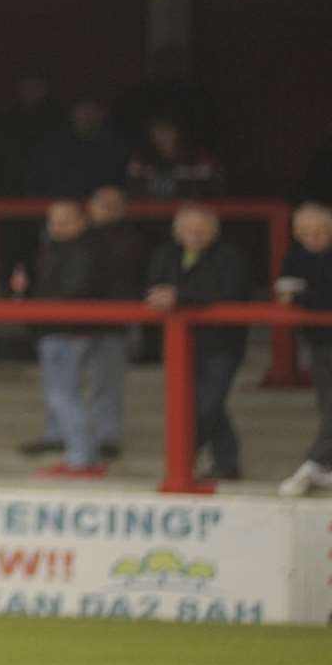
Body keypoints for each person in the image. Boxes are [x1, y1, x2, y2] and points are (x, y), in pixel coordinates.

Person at [145, 204, 253, 481]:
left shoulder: (230, 257)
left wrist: (180, 297)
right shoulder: (165, 254)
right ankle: (227, 464)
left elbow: (230, 291)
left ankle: (184, 457)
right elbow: (152, 286)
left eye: (201, 229)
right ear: (177, 231)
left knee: (207, 404)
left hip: (222, 344)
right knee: (205, 404)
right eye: (189, 229)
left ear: (214, 231)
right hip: (178, 343)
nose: (195, 234)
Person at [24, 200, 108, 479]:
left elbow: (74, 290)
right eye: (54, 221)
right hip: (57, 330)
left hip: (68, 330)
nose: (58, 226)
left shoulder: (84, 250)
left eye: (66, 220)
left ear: (81, 221)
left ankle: (82, 459)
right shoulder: (53, 248)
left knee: (64, 395)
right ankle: (83, 455)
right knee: (63, 394)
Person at [83, 185, 145, 459]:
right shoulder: (78, 236)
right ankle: (63, 435)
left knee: (106, 383)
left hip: (113, 321)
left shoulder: (132, 240)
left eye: (114, 203)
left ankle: (107, 438)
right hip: (73, 321)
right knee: (64, 385)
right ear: (90, 205)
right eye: (102, 202)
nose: (107, 208)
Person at [276, 203, 332, 496]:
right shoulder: (297, 255)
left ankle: (313, 462)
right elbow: (286, 286)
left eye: (320, 231)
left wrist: (302, 297)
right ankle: (325, 466)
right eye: (306, 233)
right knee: (326, 402)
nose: (314, 238)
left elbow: (318, 297)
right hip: (320, 341)